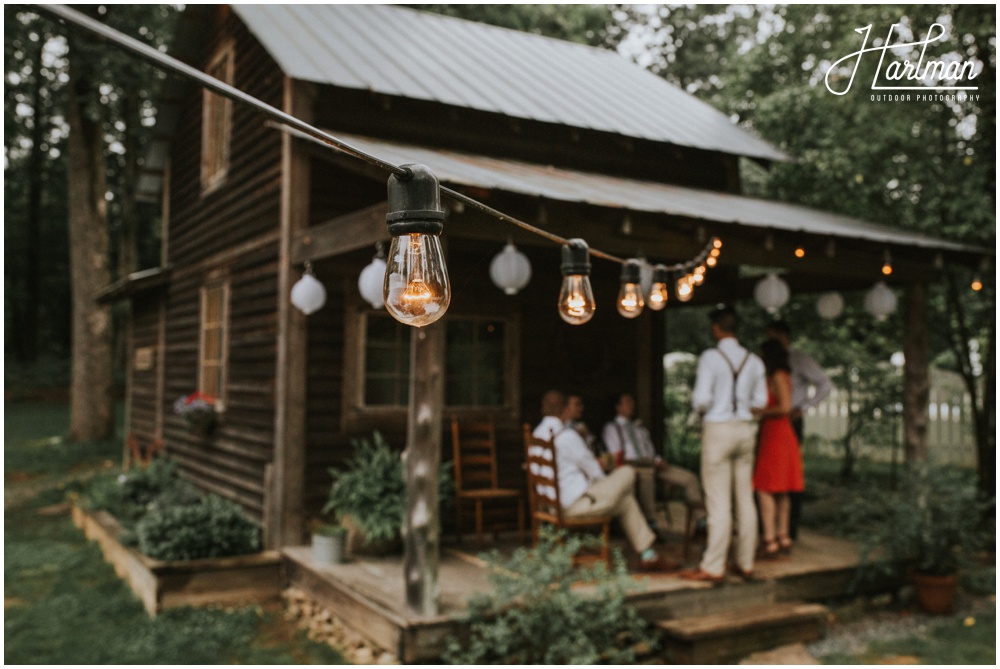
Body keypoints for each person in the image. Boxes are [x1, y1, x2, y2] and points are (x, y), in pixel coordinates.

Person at [532, 390, 676, 572]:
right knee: (627, 472)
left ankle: (648, 556)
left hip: (550, 505)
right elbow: (595, 471)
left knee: (625, 501)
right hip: (573, 505)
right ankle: (643, 550)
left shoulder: (537, 434)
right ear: (564, 409)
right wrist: (608, 482)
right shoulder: (567, 436)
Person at [680, 306, 767, 583]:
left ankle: (714, 566)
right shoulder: (753, 360)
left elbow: (701, 399)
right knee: (745, 499)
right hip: (745, 429)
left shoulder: (711, 357)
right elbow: (761, 401)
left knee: (718, 501)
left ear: (717, 328)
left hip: (718, 428)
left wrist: (705, 411)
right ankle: (745, 562)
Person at [766, 320, 832, 540]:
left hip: (790, 419)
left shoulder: (798, 358)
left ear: (783, 336)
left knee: (789, 475)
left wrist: (804, 407)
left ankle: (788, 529)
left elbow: (824, 384)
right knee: (771, 475)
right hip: (772, 422)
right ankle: (771, 527)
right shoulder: (771, 362)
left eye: (772, 336)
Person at [601, 392, 705, 529]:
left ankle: (701, 521)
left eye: (632, 402)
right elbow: (616, 455)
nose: (632, 405)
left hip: (652, 464)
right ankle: (651, 522)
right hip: (632, 466)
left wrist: (658, 460)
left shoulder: (640, 428)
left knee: (690, 478)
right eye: (627, 402)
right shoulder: (611, 428)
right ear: (617, 407)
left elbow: (650, 451)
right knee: (647, 476)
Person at [752, 339, 806, 558]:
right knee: (782, 489)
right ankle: (783, 536)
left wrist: (759, 411)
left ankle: (770, 538)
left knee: (764, 487)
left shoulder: (777, 376)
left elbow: (784, 407)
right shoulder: (783, 375)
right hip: (779, 434)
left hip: (776, 434)